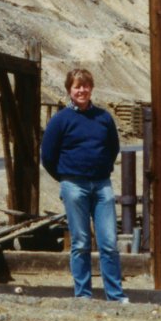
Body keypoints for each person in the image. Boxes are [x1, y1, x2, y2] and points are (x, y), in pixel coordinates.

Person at [40, 67, 127, 302]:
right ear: (69, 90)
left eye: (85, 86)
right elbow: (47, 156)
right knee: (80, 242)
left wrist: (102, 169)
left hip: (102, 186)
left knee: (109, 242)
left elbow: (113, 148)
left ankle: (116, 296)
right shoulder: (60, 120)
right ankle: (83, 295)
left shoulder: (104, 118)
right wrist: (65, 178)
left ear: (91, 88)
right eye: (77, 86)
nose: (82, 90)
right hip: (74, 186)